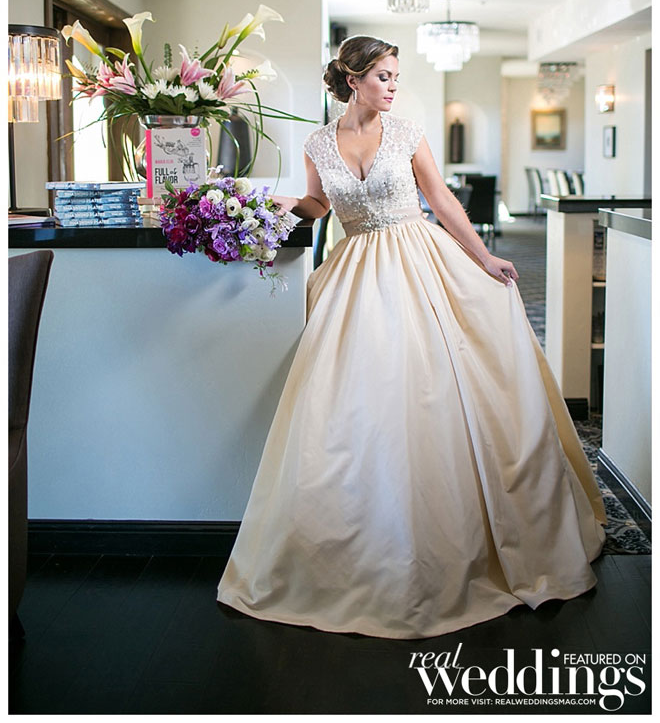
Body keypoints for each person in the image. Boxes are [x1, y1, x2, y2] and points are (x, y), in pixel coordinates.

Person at [216, 35, 606, 640]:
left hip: (419, 261)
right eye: (383, 76)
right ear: (353, 79)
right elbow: (318, 203)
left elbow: (439, 199)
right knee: (353, 407)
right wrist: (273, 203)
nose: (393, 86)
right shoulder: (318, 142)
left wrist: (482, 257)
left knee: (433, 389)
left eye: (396, 76)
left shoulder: (407, 133)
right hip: (354, 274)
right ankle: (364, 544)